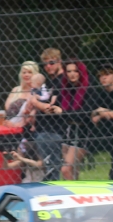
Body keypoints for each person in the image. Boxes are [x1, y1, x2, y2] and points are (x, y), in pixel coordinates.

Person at [84, 65, 113, 181]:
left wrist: (102, 112)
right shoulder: (101, 94)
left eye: (106, 75)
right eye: (100, 76)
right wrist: (102, 113)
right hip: (110, 134)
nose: (103, 78)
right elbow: (93, 115)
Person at [32, 48, 68, 180]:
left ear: (59, 62)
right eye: (45, 64)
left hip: (53, 130)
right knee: (47, 168)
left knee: (52, 169)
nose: (48, 66)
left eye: (52, 63)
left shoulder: (63, 80)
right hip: (42, 130)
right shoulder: (49, 81)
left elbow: (51, 107)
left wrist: (36, 103)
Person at [60, 59, 90, 180]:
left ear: (80, 72)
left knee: (65, 169)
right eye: (69, 71)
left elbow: (83, 115)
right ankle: (76, 191)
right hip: (68, 131)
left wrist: (63, 112)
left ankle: (74, 196)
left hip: (83, 132)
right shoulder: (67, 89)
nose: (72, 74)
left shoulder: (88, 89)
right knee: (73, 171)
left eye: (75, 71)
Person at [3, 62, 39, 128]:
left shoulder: (37, 92)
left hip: (25, 128)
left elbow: (33, 115)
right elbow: (6, 109)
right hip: (8, 125)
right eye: (24, 72)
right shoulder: (15, 90)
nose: (26, 75)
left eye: (30, 72)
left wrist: (16, 125)